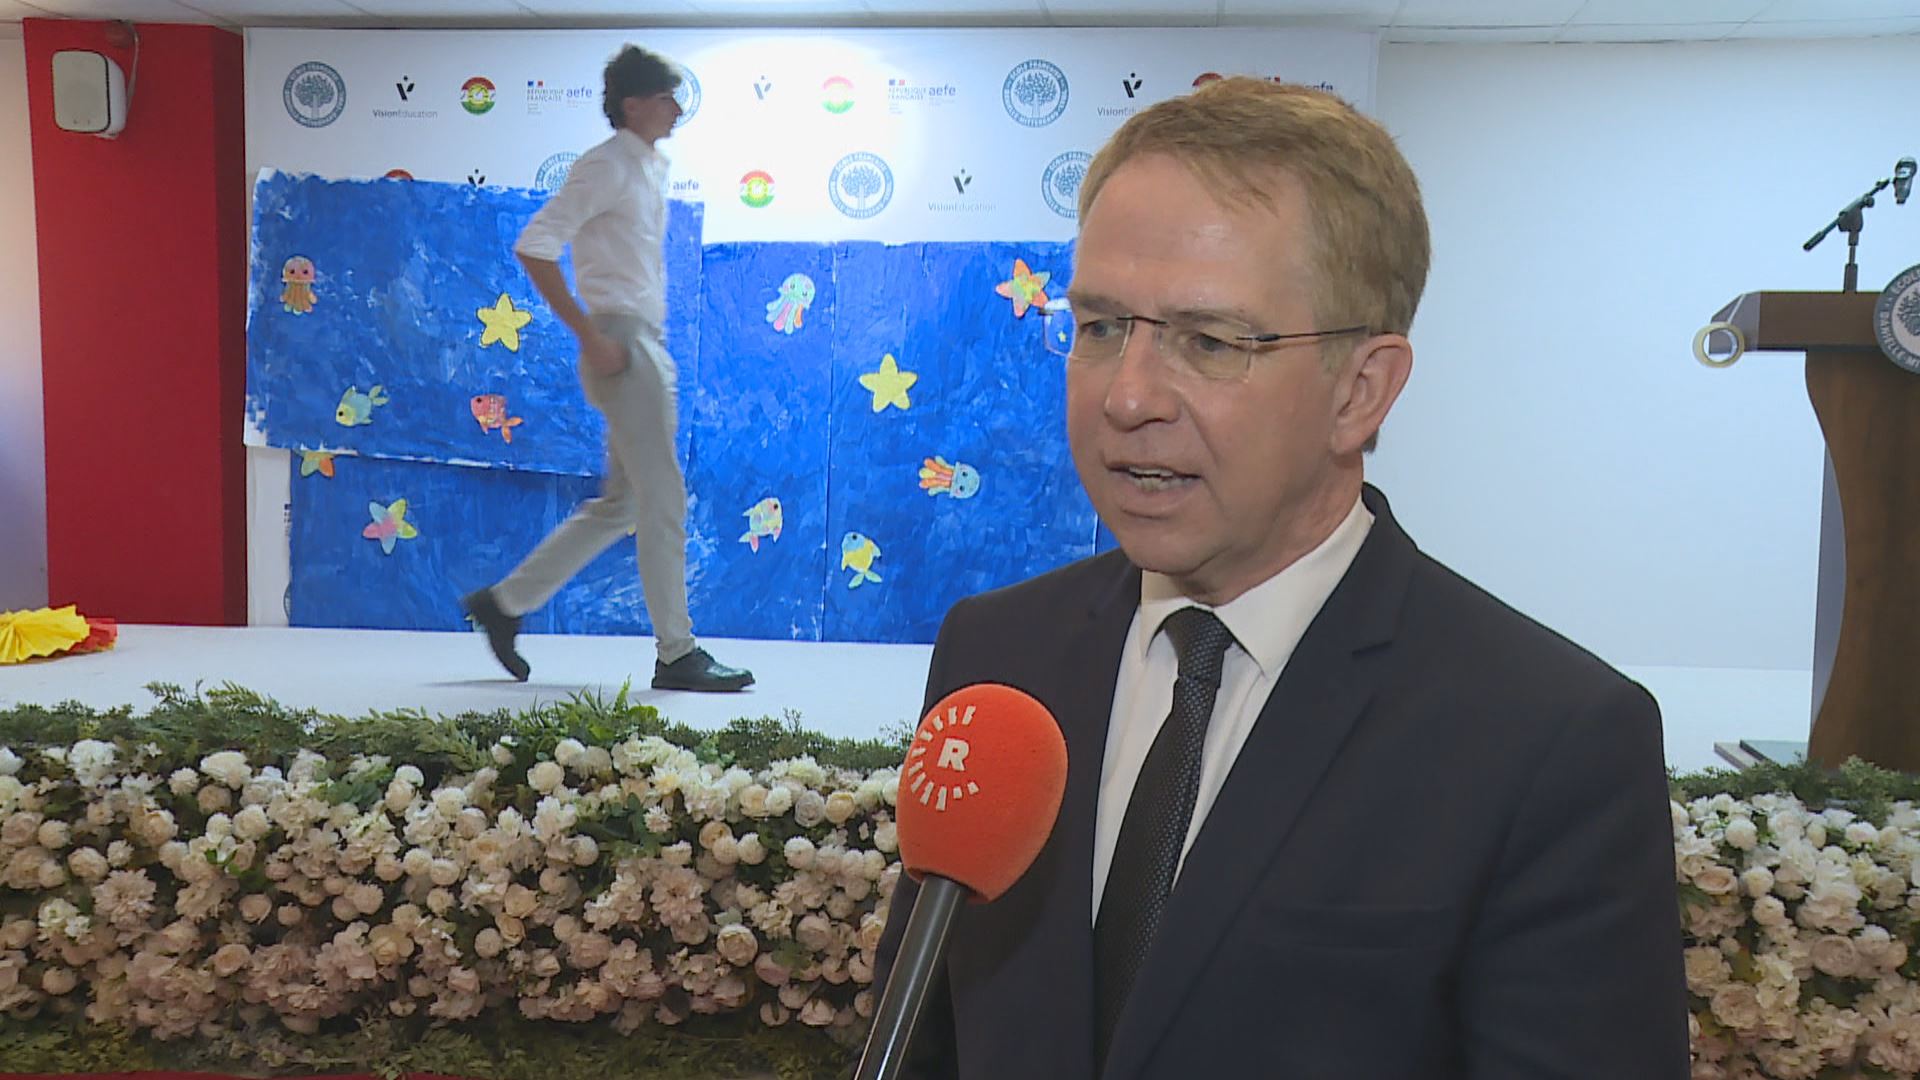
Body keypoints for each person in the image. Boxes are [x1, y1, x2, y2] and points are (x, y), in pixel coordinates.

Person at [871, 77, 1687, 1078]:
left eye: (1210, 342)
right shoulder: (999, 654)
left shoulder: (1549, 740)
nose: (1128, 396)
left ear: (1360, 392)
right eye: (1101, 327)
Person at [461, 45, 752, 694]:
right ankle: (677, 652)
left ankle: (504, 603)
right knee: (662, 498)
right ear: (633, 104)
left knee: (624, 504)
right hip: (622, 341)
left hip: (637, 340)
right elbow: (535, 245)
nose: (676, 107)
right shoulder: (608, 165)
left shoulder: (646, 166)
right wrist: (590, 334)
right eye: (666, 96)